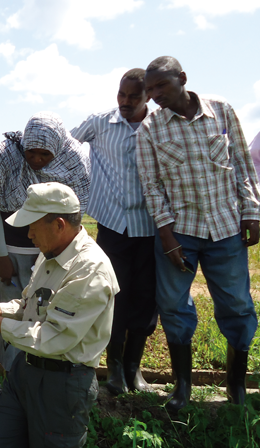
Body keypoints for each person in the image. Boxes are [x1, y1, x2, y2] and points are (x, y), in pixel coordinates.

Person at [136, 56, 260, 409]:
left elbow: (242, 164)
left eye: (161, 85)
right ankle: (182, 387)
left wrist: (252, 212)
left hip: (226, 227)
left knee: (237, 304)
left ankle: (236, 386)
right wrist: (167, 237)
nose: (155, 95)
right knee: (173, 306)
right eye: (149, 90)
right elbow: (151, 186)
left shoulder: (221, 110)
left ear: (183, 78)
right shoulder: (150, 129)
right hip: (181, 232)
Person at [0, 182, 118, 447]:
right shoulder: (50, 253)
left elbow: (52, 337)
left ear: (59, 225)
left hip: (63, 383)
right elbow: (30, 305)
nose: (29, 234)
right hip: (25, 370)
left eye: (33, 225)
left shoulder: (89, 270)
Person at [0, 112, 89, 388]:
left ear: (58, 149)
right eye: (31, 153)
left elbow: (75, 215)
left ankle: (37, 376)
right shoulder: (3, 156)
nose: (37, 160)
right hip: (10, 248)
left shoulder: (74, 160)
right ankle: (11, 378)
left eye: (45, 154)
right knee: (11, 307)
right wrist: (2, 256)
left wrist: (61, 254)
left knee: (43, 312)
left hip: (53, 250)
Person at [70, 69, 158, 395]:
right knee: (114, 295)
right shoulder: (101, 123)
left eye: (134, 96)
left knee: (146, 298)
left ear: (148, 96)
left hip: (151, 226)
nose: (125, 101)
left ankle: (135, 369)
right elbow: (65, 144)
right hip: (113, 226)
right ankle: (115, 369)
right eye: (121, 94)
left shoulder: (159, 126)